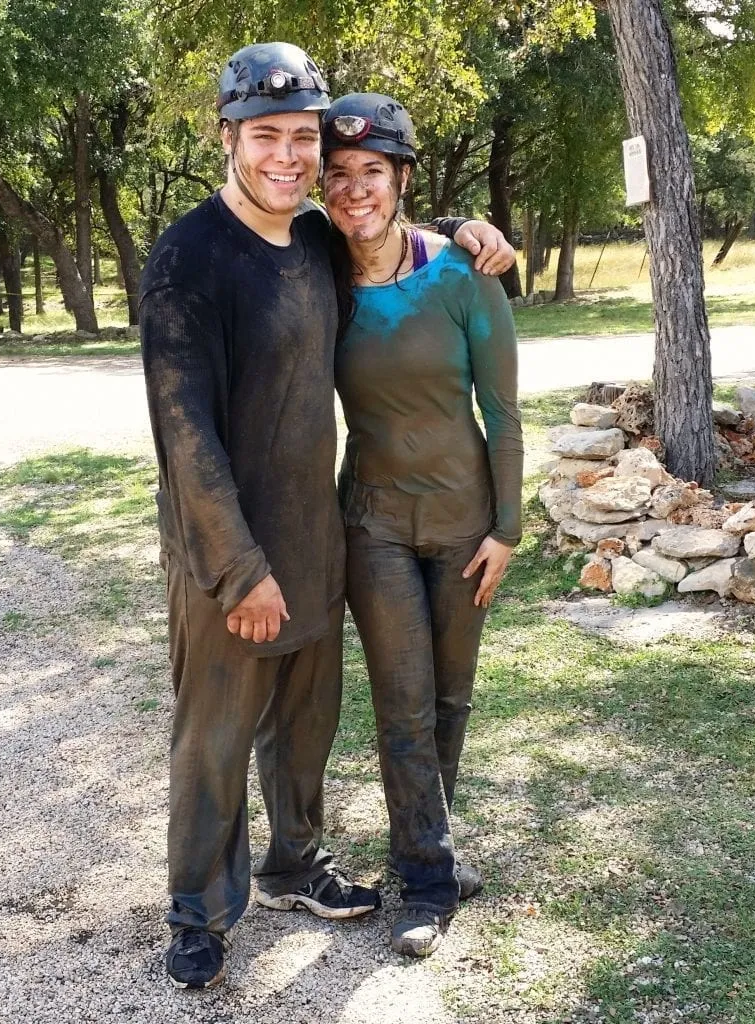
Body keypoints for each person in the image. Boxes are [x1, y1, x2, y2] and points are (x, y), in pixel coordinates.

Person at [139, 44, 515, 990]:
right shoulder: (189, 256)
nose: (287, 156)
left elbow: (380, 225)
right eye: (265, 135)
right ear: (226, 137)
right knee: (218, 734)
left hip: (318, 538)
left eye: (300, 138)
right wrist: (235, 567)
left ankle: (293, 864)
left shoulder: (308, 241)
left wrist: (470, 228)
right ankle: (198, 913)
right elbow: (184, 435)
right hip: (230, 555)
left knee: (305, 727)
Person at [322, 93, 524, 959]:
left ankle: (427, 845)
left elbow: (503, 412)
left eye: (372, 170)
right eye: (336, 175)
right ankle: (428, 883)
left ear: (400, 177)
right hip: (372, 525)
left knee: (450, 698)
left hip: (464, 522)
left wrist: (507, 528)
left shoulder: (462, 273)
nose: (354, 188)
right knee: (401, 705)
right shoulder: (312, 273)